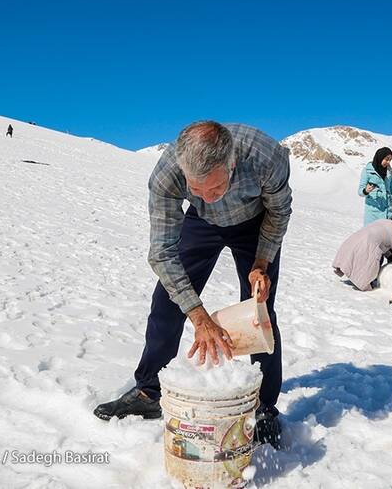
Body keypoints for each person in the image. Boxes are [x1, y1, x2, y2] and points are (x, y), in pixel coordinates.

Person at [93, 121, 292, 448]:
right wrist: (199, 317)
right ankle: (149, 391)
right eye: (196, 190)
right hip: (200, 224)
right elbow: (161, 253)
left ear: (232, 164)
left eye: (215, 189)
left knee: (259, 312)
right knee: (167, 302)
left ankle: (264, 407)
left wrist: (261, 264)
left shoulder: (265, 156)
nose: (208, 197)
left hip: (256, 222)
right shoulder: (167, 176)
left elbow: (279, 211)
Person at [333, 215, 392, 291]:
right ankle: (365, 282)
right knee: (370, 263)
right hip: (368, 242)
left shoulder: (381, 222)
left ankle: (345, 269)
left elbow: (382, 241)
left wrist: (389, 257)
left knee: (352, 255)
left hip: (357, 237)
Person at [358, 147, 392, 226]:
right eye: (387, 159)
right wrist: (366, 190)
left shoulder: (389, 172)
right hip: (373, 214)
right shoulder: (367, 171)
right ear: (380, 157)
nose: (388, 162)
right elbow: (360, 191)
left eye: (390, 160)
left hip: (388, 213)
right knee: (373, 237)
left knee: (389, 236)